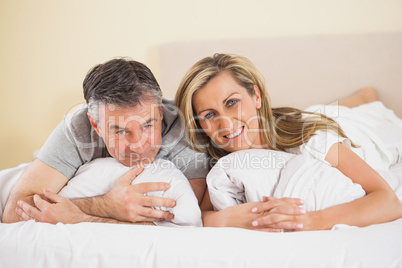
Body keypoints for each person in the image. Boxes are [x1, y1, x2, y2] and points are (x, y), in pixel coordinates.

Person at [174, 53, 402, 231]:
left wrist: (312, 220)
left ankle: (365, 98)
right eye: (209, 115)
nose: (226, 124)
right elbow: (201, 214)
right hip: (299, 118)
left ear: (256, 95)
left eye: (232, 102)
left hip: (359, 130)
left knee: (335, 116)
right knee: (317, 112)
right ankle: (357, 99)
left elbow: (389, 202)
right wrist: (222, 220)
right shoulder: (218, 158)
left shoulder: (313, 140)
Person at [2, 58, 210, 224]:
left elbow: (186, 221)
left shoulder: (183, 126)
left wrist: (81, 217)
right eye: (120, 131)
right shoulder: (77, 127)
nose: (138, 144)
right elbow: (13, 214)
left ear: (161, 112)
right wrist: (104, 205)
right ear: (95, 125)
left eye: (148, 125)